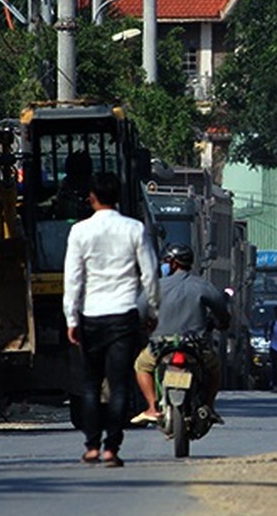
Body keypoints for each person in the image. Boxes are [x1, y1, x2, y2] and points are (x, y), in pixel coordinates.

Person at [64, 172, 160, 467]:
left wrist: (71, 317)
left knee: (91, 384)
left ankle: (91, 446)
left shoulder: (79, 231)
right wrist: (153, 311)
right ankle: (111, 449)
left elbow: (73, 278)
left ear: (92, 198)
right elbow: (150, 274)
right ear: (118, 196)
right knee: (120, 384)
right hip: (124, 314)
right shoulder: (134, 228)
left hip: (91, 316)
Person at [131, 243, 231, 426]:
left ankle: (152, 408)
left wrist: (145, 325)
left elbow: (139, 311)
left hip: (160, 345)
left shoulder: (156, 286)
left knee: (141, 366)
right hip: (196, 346)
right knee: (215, 369)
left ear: (174, 263)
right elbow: (221, 310)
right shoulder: (202, 285)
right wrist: (222, 323)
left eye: (167, 261)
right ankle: (209, 407)